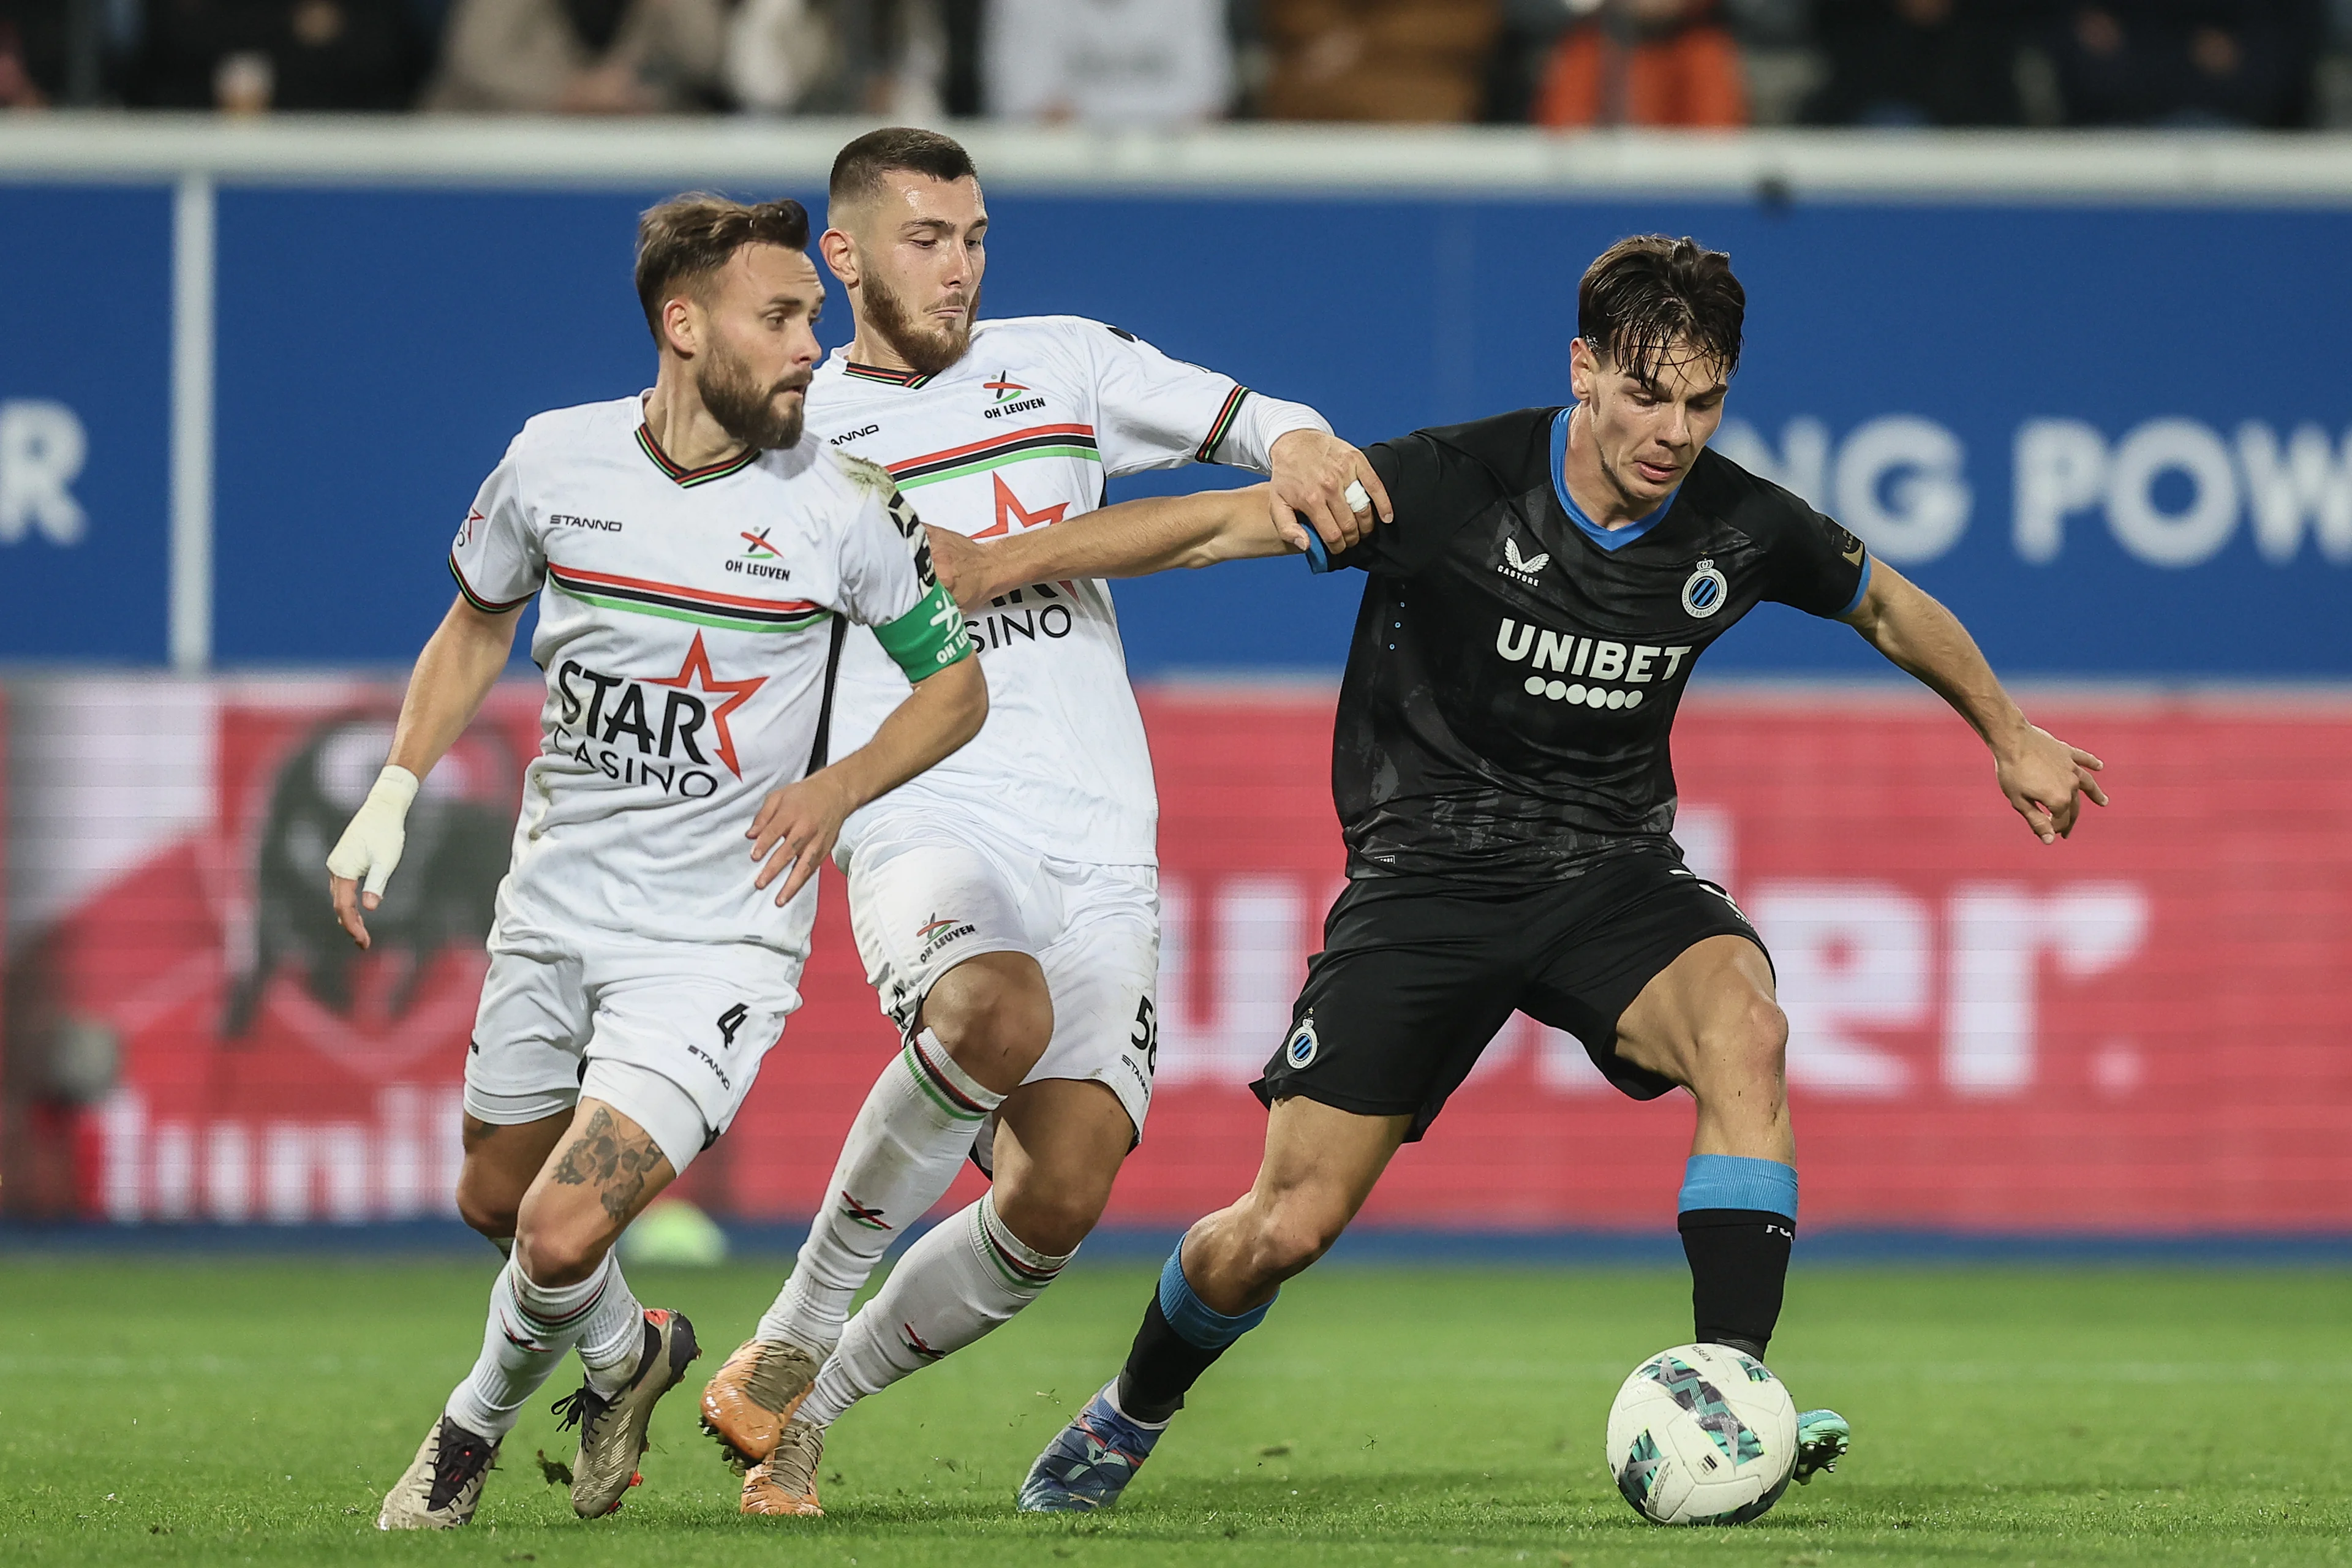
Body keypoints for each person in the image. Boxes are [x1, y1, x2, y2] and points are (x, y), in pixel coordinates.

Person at [929, 233, 2111, 1512]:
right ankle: (1130, 1407)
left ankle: (1732, 1388)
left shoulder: (1740, 522)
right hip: (1427, 870)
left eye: (1704, 401)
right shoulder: (1456, 481)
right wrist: (999, 562)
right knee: (1283, 1225)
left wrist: (2009, 728)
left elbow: (1883, 601)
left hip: (1609, 867)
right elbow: (1221, 526)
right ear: (1584, 369)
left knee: (1748, 1029)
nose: (1674, 430)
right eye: (1647, 394)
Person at [693, 125, 1383, 1519]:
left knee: (1058, 1193)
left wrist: (1300, 443)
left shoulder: (1060, 361)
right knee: (988, 1011)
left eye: (975, 237)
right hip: (929, 805)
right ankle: (794, 1328)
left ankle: (803, 1409)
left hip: (1106, 841)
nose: (957, 269)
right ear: (844, 255)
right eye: (924, 241)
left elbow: (1259, 423)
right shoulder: (793, 436)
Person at [328, 192, 986, 1529]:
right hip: (551, 908)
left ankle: (464, 1439)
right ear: (684, 327)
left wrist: (839, 784)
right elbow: (473, 625)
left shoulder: (848, 504)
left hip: (715, 942)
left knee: (561, 1233)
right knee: (497, 1196)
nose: (816, 341)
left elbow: (956, 689)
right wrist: (395, 786)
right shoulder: (554, 463)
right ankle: (630, 1353)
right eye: (784, 316)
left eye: (815, 314)